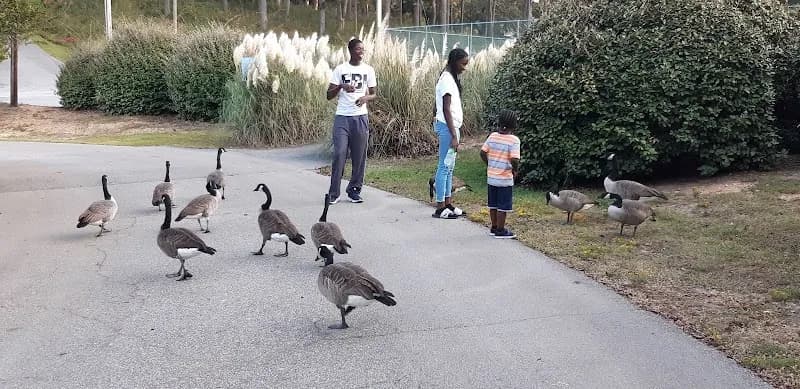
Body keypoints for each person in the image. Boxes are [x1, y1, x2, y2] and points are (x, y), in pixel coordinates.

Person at [326, 38, 377, 204]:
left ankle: (354, 190)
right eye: (358, 49)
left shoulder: (368, 70)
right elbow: (328, 95)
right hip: (342, 118)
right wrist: (341, 86)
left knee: (359, 156)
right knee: (339, 153)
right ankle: (334, 193)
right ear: (350, 50)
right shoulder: (340, 69)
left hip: (360, 117)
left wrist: (364, 98)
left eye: (363, 49)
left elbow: (374, 94)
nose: (361, 52)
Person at [432, 48, 469, 219]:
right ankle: (440, 207)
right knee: (444, 166)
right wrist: (454, 135)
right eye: (463, 64)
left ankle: (448, 203)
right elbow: (446, 109)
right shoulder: (446, 79)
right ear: (454, 62)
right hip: (448, 129)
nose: (464, 67)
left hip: (452, 128)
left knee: (450, 167)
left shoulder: (451, 78)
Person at [480, 110, 521, 239]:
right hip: (504, 178)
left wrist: (489, 163)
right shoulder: (514, 140)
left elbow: (482, 152)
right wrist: (515, 170)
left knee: (493, 204)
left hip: (492, 177)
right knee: (503, 206)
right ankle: (501, 230)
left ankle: (494, 227)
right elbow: (514, 159)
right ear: (514, 125)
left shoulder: (492, 136)